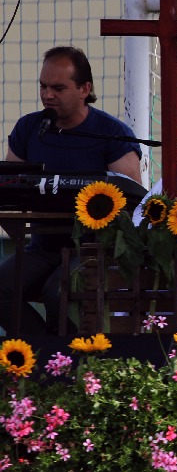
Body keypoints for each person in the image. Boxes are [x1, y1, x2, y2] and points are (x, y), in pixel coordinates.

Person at [0, 46, 143, 335]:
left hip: (93, 249)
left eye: (58, 88)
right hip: (42, 248)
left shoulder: (112, 134)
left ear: (84, 89)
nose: (47, 95)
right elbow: (9, 187)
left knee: (59, 293)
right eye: (43, 86)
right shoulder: (30, 128)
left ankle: (63, 363)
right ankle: (39, 354)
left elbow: (132, 203)